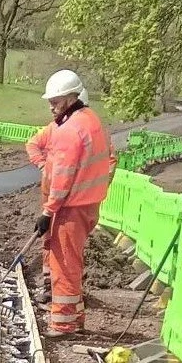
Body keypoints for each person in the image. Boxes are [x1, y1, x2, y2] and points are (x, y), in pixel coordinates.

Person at [35, 71, 114, 338]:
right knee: (73, 262)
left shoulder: (70, 130)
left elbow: (63, 177)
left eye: (56, 100)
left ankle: (63, 324)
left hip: (71, 207)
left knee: (64, 265)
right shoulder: (92, 121)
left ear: (71, 98)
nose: (51, 105)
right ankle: (76, 316)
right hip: (88, 205)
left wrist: (48, 211)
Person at [26, 87, 90, 304]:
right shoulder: (55, 129)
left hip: (68, 201)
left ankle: (64, 300)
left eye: (55, 102)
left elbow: (69, 174)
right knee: (50, 243)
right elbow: (32, 144)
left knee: (64, 253)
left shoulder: (77, 131)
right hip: (53, 195)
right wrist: (43, 166)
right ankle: (49, 285)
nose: (51, 108)